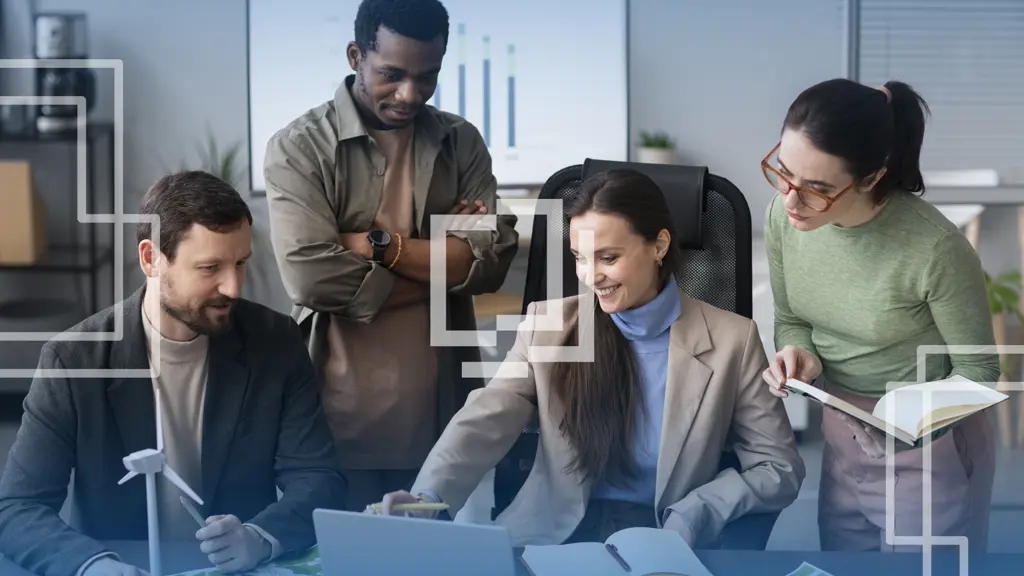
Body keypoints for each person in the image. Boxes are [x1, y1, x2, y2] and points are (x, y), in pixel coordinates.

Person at [376, 168, 804, 547]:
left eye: (609, 257)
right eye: (580, 258)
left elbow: (779, 467)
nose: (590, 276)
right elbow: (487, 415)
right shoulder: (549, 325)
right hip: (553, 535)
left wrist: (700, 509)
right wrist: (426, 498)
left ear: (659, 246)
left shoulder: (733, 340)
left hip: (665, 536)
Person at [0, 171, 348, 576]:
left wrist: (260, 536)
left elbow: (319, 478)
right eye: (209, 268)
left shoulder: (275, 341)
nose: (233, 287)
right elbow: (18, 508)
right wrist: (95, 567)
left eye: (240, 264)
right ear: (151, 259)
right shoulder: (74, 361)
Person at [263, 0, 518, 513]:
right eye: (392, 75)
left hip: (440, 406)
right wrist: (445, 266)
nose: (410, 94)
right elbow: (312, 279)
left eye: (428, 77)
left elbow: (492, 262)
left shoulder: (460, 141)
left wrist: (383, 246)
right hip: (337, 407)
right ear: (356, 56)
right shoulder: (299, 148)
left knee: (431, 557)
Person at [760, 78, 1000, 552]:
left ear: (871, 177)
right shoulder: (783, 221)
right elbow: (793, 318)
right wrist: (798, 352)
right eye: (783, 173)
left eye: (817, 188)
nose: (790, 200)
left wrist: (904, 426)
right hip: (842, 434)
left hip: (930, 444)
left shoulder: (935, 249)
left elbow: (979, 373)